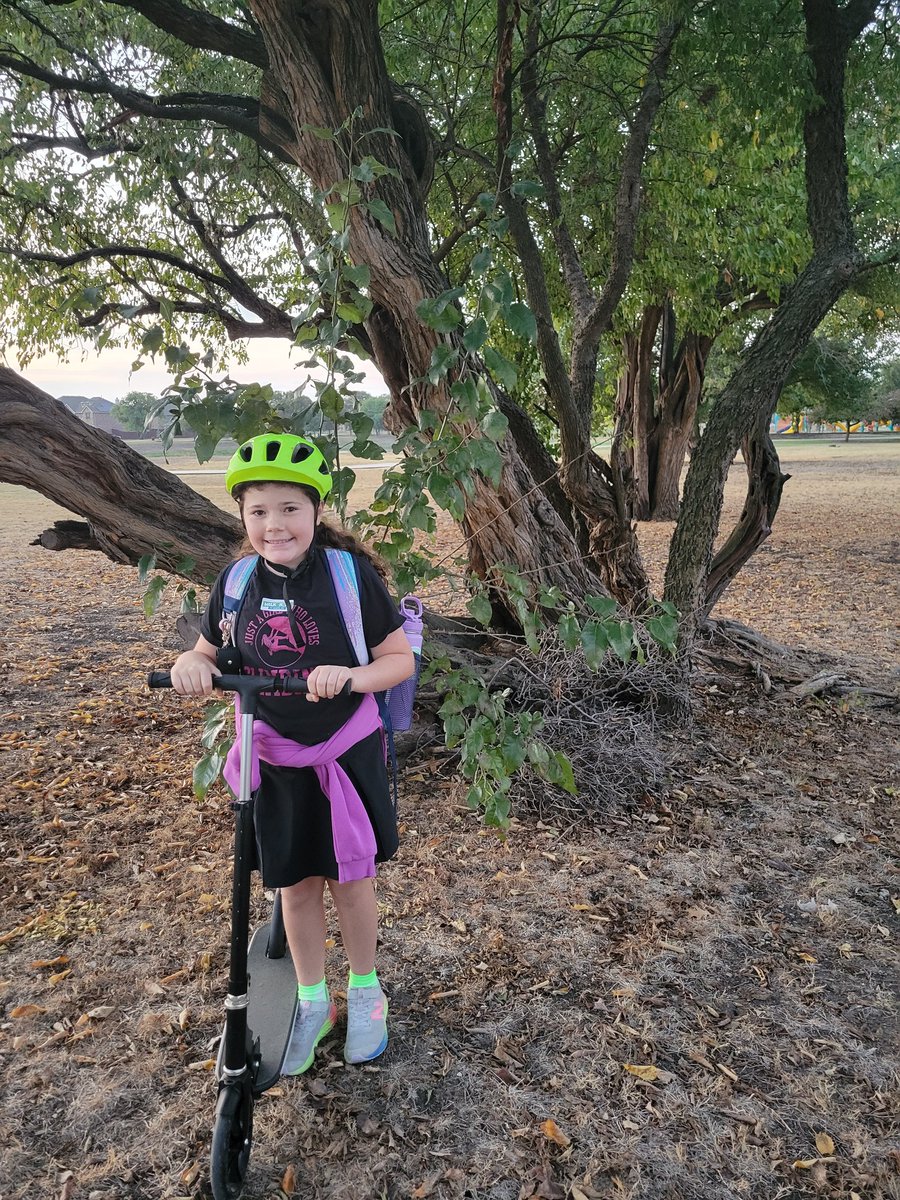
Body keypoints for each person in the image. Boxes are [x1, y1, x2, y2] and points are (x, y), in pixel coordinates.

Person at [170, 432, 414, 1075]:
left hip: (343, 751)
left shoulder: (348, 576)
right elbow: (207, 653)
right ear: (243, 516)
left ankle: (365, 994)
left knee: (351, 881)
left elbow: (398, 659)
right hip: (274, 755)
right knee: (294, 887)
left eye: (288, 509)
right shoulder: (236, 581)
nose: (274, 525)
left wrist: (351, 676)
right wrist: (190, 664)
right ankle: (313, 1001)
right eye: (258, 512)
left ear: (314, 511)